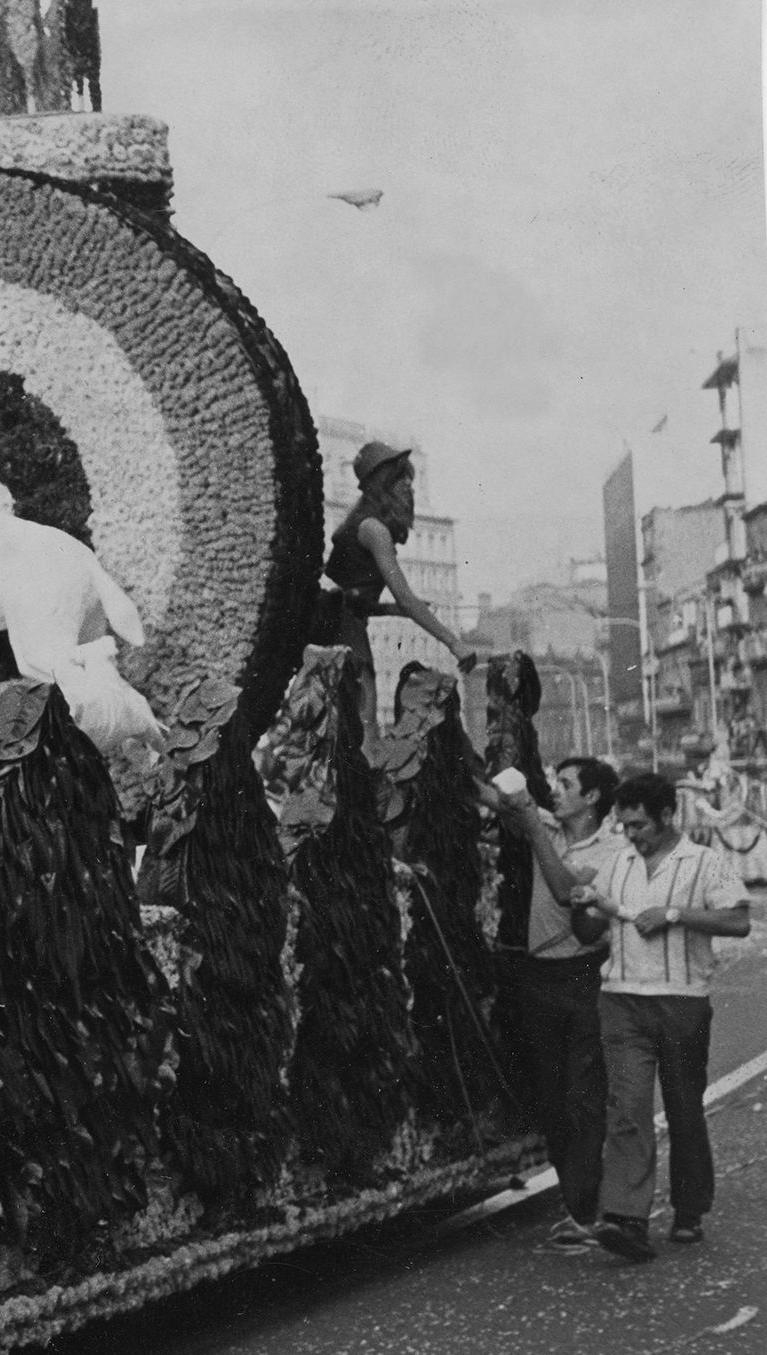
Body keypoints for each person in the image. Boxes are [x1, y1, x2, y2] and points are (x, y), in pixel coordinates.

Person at [572, 772, 751, 1260]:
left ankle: (690, 1208)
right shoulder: (618, 862)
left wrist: (674, 914)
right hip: (622, 999)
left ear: (668, 816)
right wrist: (582, 905)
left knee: (684, 1109)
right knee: (626, 1108)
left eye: (639, 825)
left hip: (682, 1001)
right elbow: (591, 932)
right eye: (625, 826)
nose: (631, 835)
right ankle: (627, 1220)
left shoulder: (705, 862)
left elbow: (738, 920)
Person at [487, 757, 623, 1250]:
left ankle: (586, 1211)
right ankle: (580, 1204)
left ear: (591, 798)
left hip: (585, 977)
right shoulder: (546, 825)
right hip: (539, 977)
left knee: (582, 1096)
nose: (556, 792)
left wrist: (533, 828)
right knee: (550, 1097)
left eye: (566, 785)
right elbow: (484, 794)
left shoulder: (612, 851)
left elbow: (568, 892)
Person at [322, 442, 476, 740]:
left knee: (345, 727)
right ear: (383, 486)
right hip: (344, 630)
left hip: (337, 626)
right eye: (399, 479)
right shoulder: (374, 530)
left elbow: (356, 600)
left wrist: (392, 611)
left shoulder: (362, 526)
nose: (409, 486)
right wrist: (454, 643)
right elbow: (404, 596)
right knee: (365, 730)